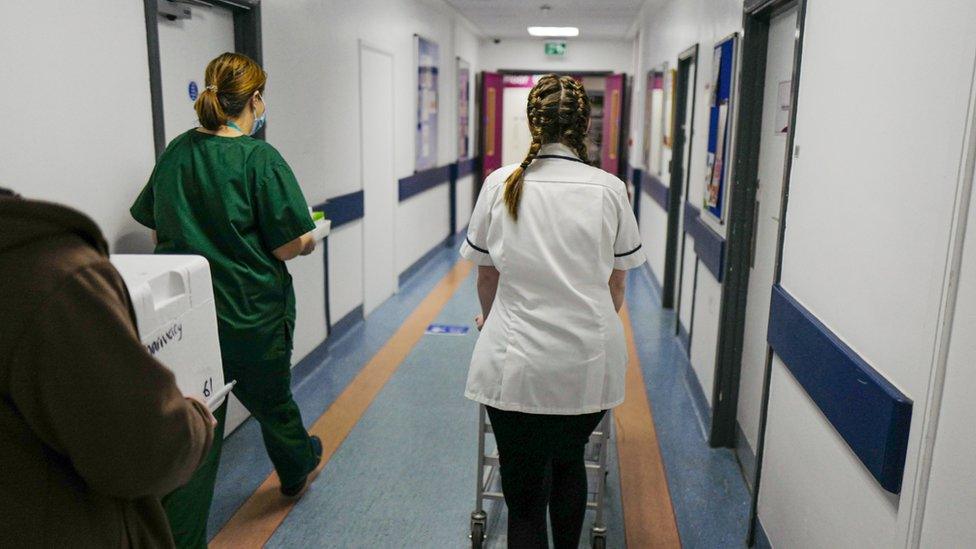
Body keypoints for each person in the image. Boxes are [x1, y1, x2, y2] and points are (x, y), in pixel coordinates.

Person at [130, 52, 322, 546]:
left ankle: (180, 537)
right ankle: (298, 469)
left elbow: (157, 228)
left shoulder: (176, 153)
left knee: (199, 424)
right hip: (250, 313)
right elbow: (286, 243)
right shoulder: (260, 159)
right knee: (274, 402)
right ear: (255, 99)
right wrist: (309, 238)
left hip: (186, 319)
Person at [461, 75, 646, 548]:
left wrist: (491, 319)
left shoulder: (501, 183)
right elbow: (617, 281)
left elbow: (487, 277)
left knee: (523, 498)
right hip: (586, 363)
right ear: (585, 126)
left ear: (532, 123)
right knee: (569, 464)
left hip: (514, 364)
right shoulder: (610, 189)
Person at [0, 187, 216, 547]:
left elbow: (151, 224)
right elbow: (148, 449)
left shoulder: (175, 158)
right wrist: (196, 420)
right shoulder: (50, 274)